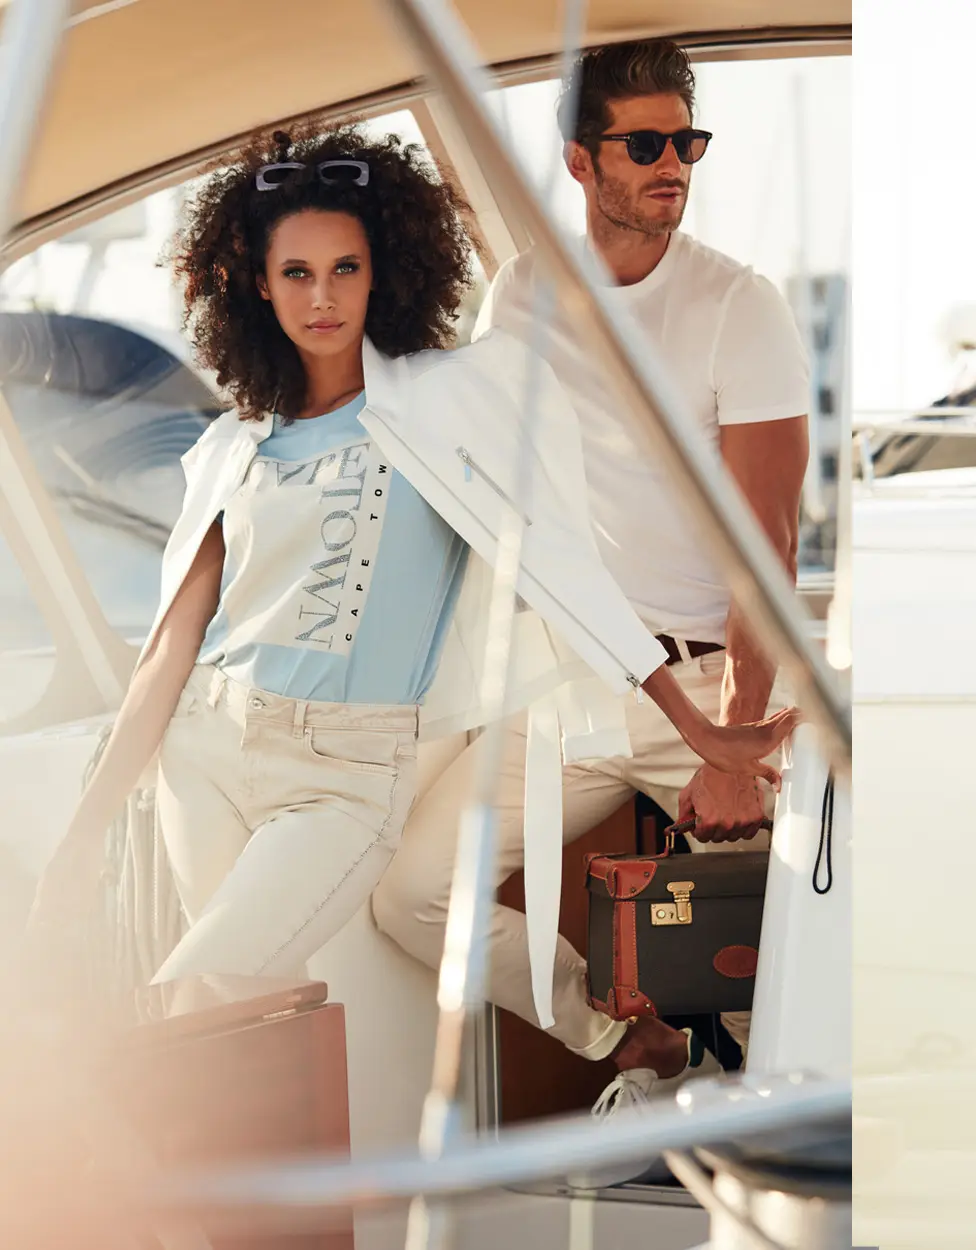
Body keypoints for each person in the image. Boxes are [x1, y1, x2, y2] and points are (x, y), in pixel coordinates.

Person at [49, 126, 790, 998]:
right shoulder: (235, 441)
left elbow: (563, 566)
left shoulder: (445, 401)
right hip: (207, 744)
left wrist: (700, 726)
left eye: (346, 269)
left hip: (347, 777)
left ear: (384, 271)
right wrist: (80, 837)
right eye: (296, 273)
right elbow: (172, 648)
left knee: (206, 988)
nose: (322, 297)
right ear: (258, 283)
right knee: (233, 1022)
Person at [370, 39, 814, 1110]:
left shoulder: (737, 306)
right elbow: (481, 483)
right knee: (415, 893)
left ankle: (785, 1166)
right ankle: (632, 1035)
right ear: (580, 161)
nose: (675, 164)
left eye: (688, 141)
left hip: (716, 689)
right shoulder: (520, 298)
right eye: (647, 143)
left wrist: (732, 740)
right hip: (574, 690)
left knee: (795, 974)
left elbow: (769, 545)